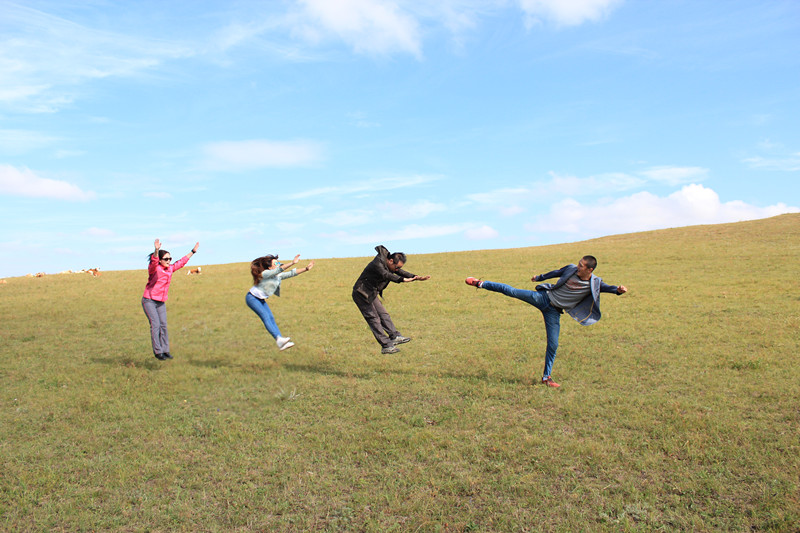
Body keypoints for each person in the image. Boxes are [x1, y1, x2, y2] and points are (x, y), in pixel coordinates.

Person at [466, 255, 628, 387]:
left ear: (590, 270)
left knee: (553, 344)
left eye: (581, 266)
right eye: (579, 263)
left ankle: (546, 378)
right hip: (543, 298)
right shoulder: (571, 269)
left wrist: (619, 290)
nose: (578, 266)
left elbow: (611, 289)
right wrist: (539, 278)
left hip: (554, 312)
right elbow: (556, 272)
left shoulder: (595, 283)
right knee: (512, 291)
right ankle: (480, 283)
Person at [353, 245, 430, 354]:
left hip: (371, 292)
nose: (397, 269)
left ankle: (395, 336)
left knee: (383, 314)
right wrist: (402, 280)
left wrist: (415, 277)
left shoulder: (389, 264)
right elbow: (386, 275)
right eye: (397, 267)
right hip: (361, 293)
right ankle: (386, 346)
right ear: (390, 261)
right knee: (374, 318)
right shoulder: (378, 263)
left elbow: (399, 271)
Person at [142, 239, 199, 360]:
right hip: (149, 300)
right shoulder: (154, 269)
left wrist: (192, 252)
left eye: (170, 259)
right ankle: (158, 352)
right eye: (166, 259)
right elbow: (154, 261)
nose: (169, 261)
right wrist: (156, 250)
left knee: (163, 325)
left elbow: (181, 262)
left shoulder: (170, 269)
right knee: (155, 324)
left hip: (160, 301)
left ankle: (165, 350)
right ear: (160, 260)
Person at [246, 254, 314, 351]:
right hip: (252, 298)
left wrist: (306, 269)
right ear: (270, 267)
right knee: (266, 317)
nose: (278, 264)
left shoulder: (277, 276)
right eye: (276, 263)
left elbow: (291, 273)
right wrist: (292, 263)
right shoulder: (265, 273)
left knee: (271, 318)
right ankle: (279, 340)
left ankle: (281, 341)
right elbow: (279, 270)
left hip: (260, 299)